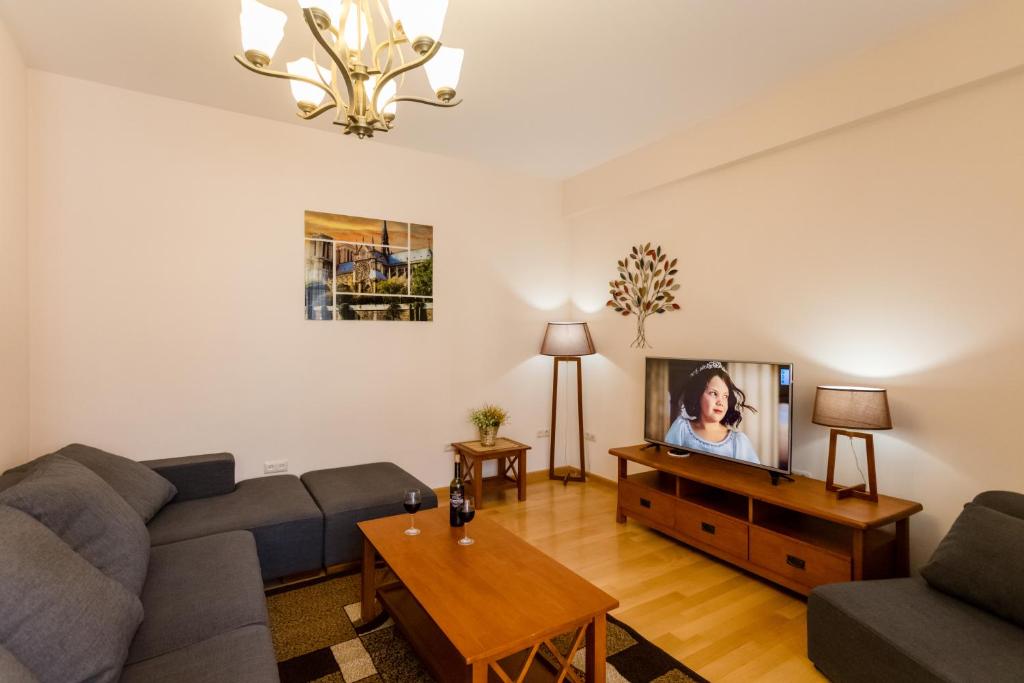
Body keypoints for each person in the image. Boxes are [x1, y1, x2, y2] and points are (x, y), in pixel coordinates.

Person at [664, 361, 760, 464]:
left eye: (725, 396)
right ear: (698, 394)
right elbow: (666, 463)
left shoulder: (738, 441)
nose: (720, 402)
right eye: (714, 393)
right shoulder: (681, 428)